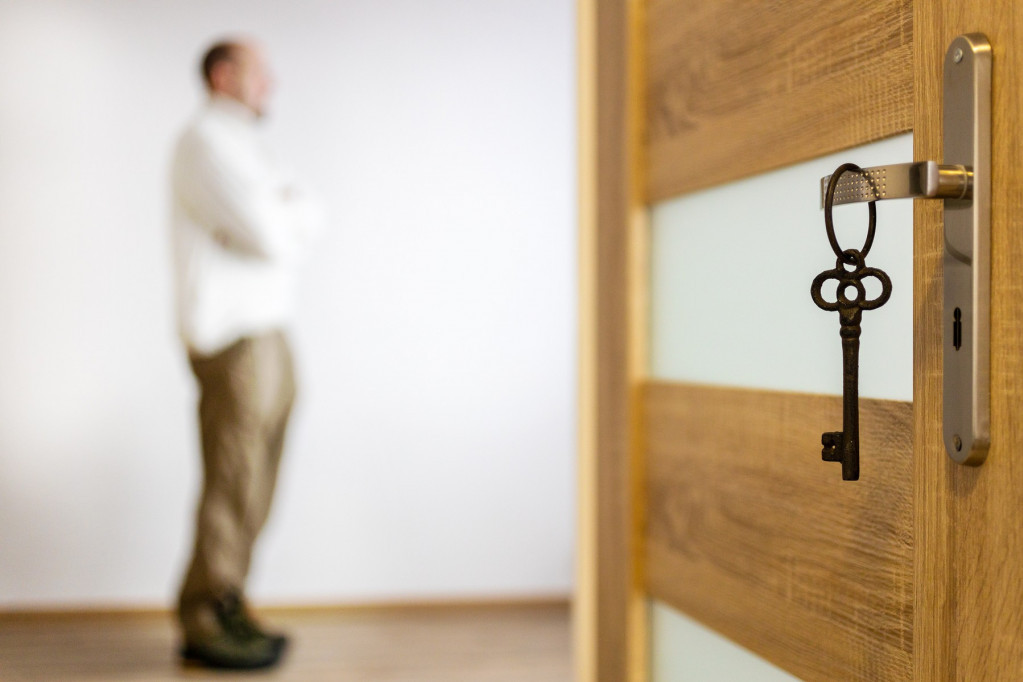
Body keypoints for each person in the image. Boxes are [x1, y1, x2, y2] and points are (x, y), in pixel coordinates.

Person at [168, 38, 323, 670]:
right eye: (261, 72)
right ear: (223, 74)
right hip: (233, 336)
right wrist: (279, 212)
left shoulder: (248, 147)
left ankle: (228, 597)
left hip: (270, 327)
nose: (272, 83)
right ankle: (205, 614)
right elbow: (271, 235)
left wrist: (283, 213)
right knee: (233, 475)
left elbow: (310, 215)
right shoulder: (205, 142)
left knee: (259, 476)